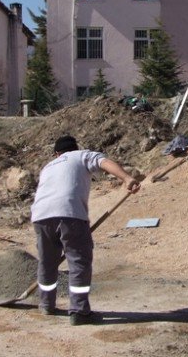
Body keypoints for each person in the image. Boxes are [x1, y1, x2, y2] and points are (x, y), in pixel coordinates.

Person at [31, 135, 141, 326]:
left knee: (47, 262)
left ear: (56, 153)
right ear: (75, 148)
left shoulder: (48, 166)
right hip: (70, 213)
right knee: (78, 262)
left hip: (40, 216)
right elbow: (104, 162)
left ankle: (46, 304)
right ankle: (80, 312)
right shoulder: (82, 155)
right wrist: (127, 178)